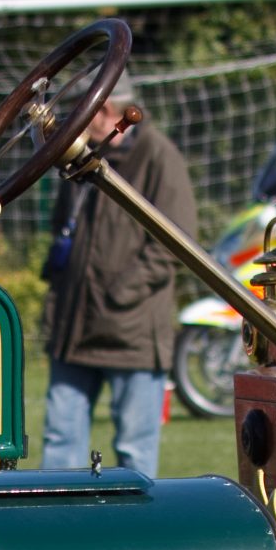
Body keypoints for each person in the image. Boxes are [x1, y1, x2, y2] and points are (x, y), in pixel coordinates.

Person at [39, 76, 195, 475]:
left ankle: (136, 537)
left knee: (134, 456)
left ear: (106, 109)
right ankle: (57, 531)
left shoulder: (161, 158)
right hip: (74, 329)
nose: (78, 118)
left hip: (132, 333)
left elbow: (175, 245)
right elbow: (64, 229)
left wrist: (117, 294)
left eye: (84, 109)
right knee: (60, 447)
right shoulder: (82, 155)